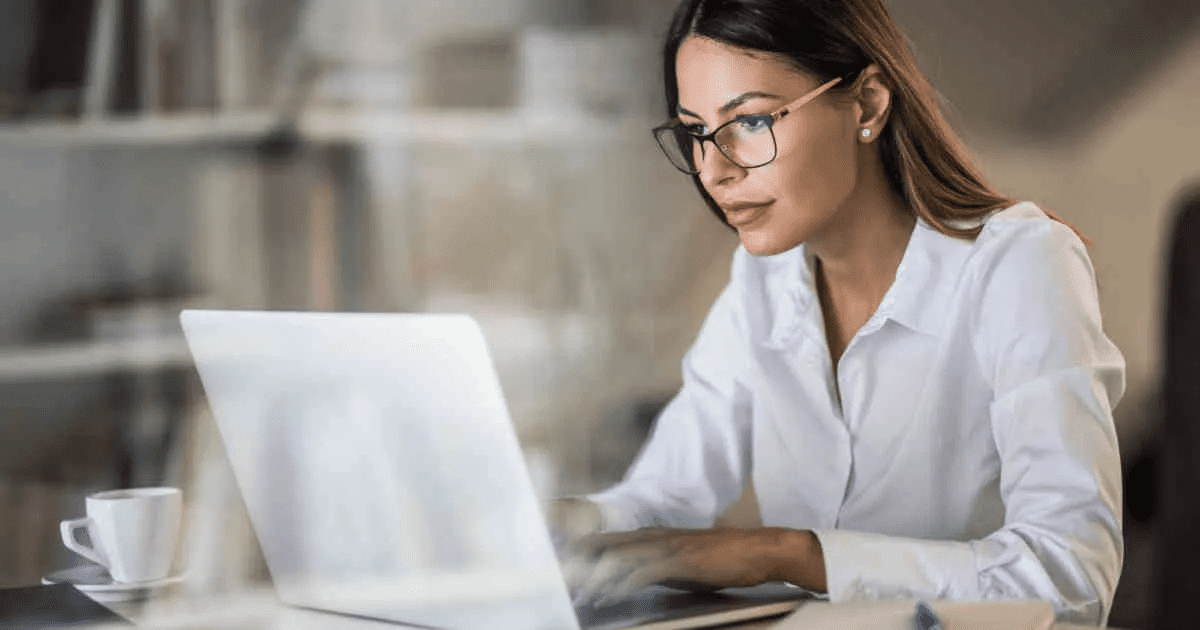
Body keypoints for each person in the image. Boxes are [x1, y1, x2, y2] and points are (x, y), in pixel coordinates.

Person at [550, 0, 1125, 626]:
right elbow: (666, 496)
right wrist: (554, 522)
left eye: (749, 121)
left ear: (869, 104)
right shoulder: (764, 281)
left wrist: (788, 554)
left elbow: (1073, 576)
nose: (713, 170)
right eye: (695, 132)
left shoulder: (1017, 264)